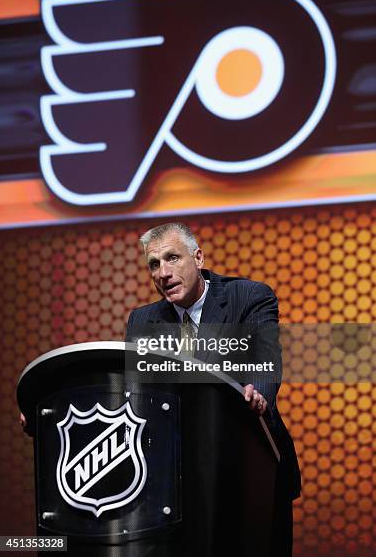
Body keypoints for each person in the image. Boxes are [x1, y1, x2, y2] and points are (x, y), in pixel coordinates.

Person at [126, 222, 301, 556]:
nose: (163, 272)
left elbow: (266, 356)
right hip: (178, 476)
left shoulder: (248, 296)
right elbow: (136, 392)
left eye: (172, 258)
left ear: (199, 257)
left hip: (251, 462)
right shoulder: (143, 320)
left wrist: (260, 391)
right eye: (154, 264)